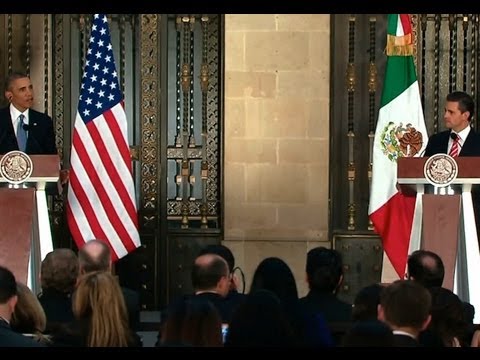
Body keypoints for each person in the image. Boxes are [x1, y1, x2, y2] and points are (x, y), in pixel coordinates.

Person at [0, 72, 57, 155]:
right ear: (9, 95)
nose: (29, 93)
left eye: (30, 88)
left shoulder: (44, 121)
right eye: (22, 89)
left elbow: (51, 158)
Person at [424, 91, 480, 157]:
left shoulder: (477, 142)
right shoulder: (435, 141)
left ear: (465, 115)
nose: (445, 115)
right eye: (445, 111)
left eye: (451, 112)